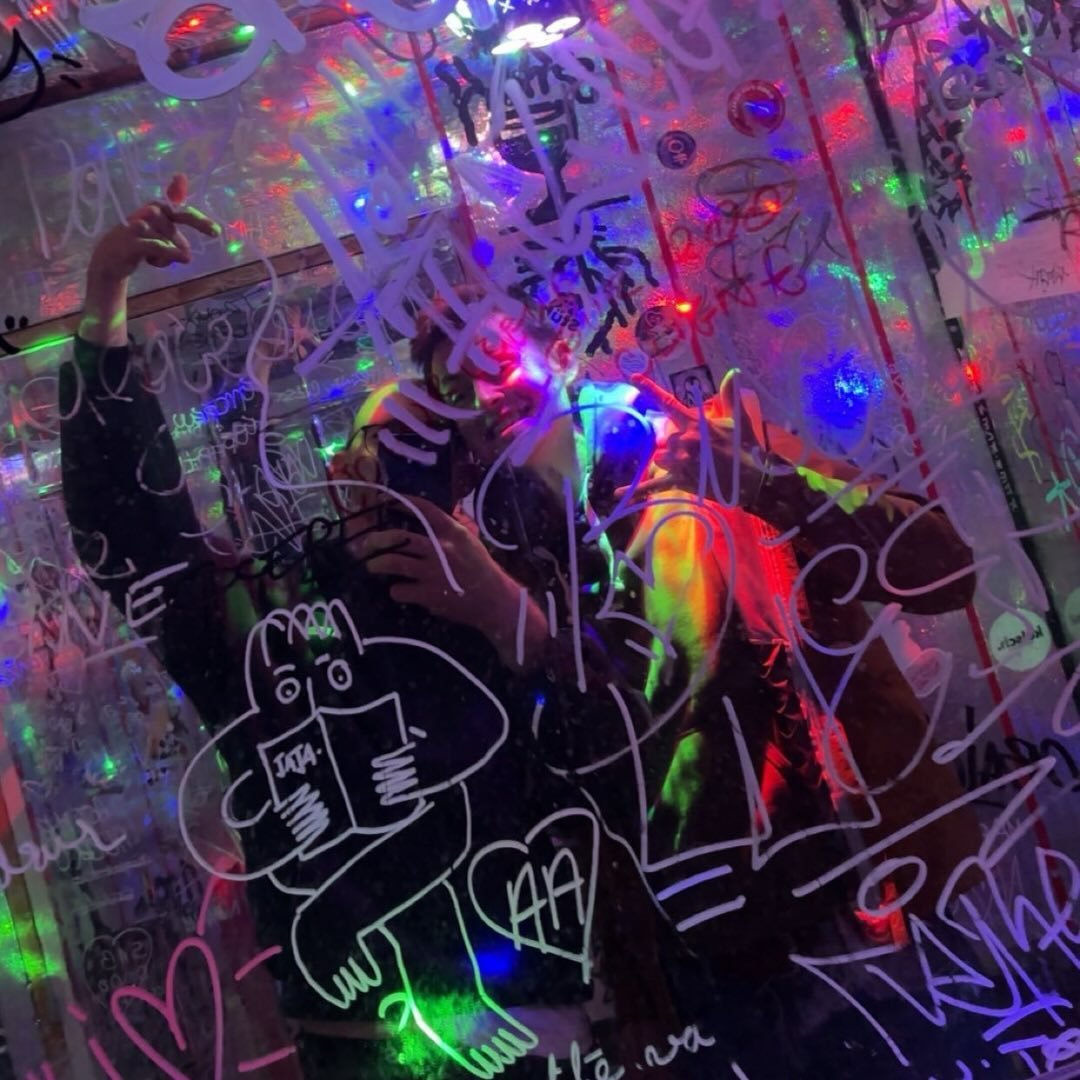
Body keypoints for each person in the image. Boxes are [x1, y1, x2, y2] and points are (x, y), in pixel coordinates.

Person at [59, 180, 681, 1079]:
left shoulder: (530, 593)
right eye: (382, 450)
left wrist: (511, 617)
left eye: (429, 452)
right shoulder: (282, 619)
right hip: (373, 1042)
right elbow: (140, 544)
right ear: (342, 474)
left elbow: (634, 770)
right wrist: (104, 311)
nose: (394, 476)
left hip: (547, 1023)